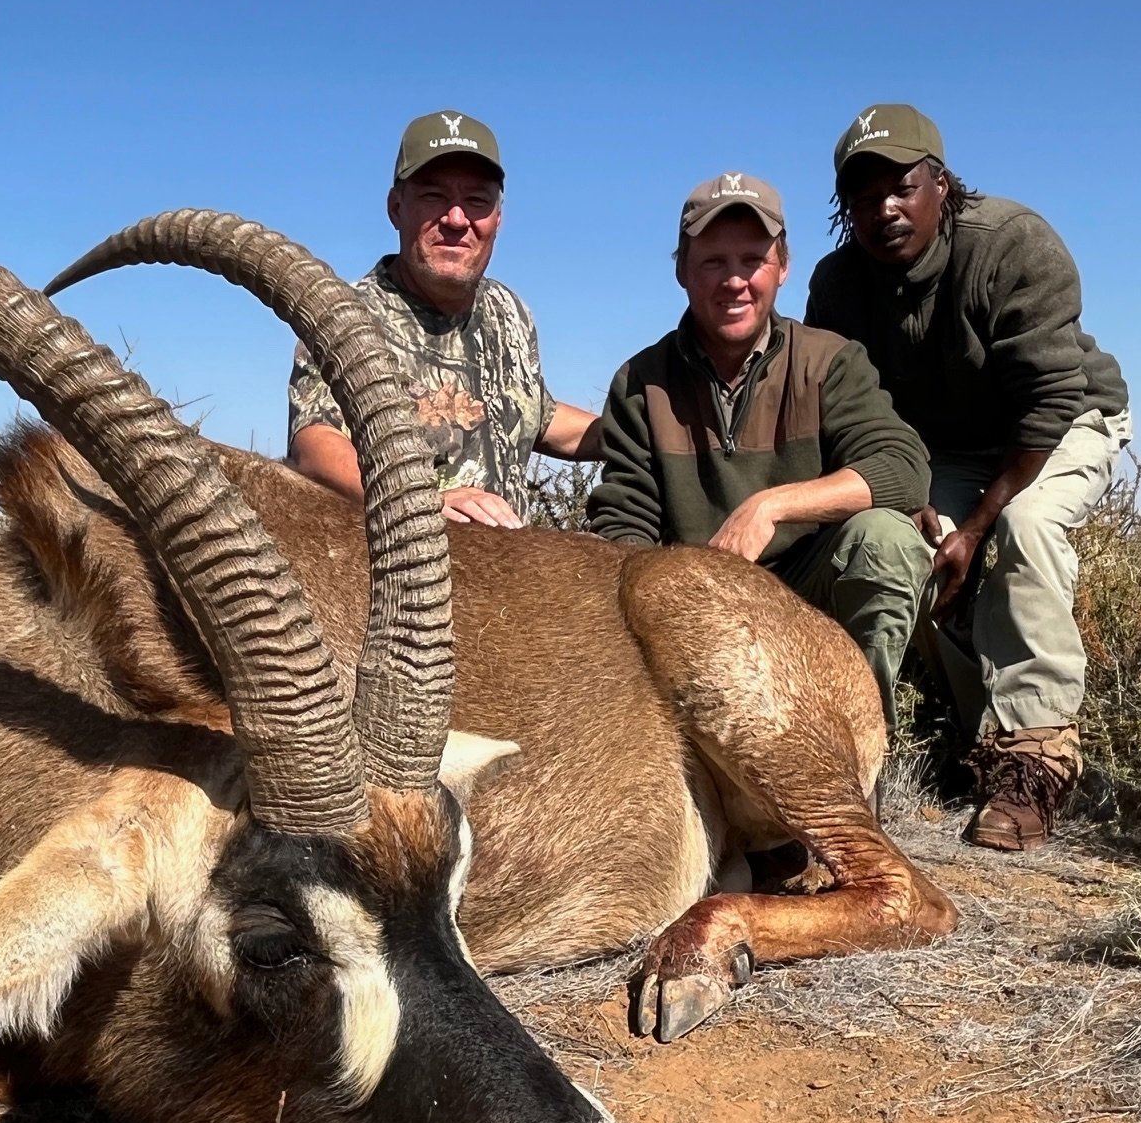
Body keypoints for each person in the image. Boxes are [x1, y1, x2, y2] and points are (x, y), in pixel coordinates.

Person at [807, 103, 1131, 851]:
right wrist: (920, 503)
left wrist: (980, 523)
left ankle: (1036, 758)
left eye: (901, 186)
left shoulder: (1012, 243)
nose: (883, 209)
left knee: (1026, 529)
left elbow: (1050, 402)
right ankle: (976, 737)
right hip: (944, 447)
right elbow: (856, 414)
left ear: (941, 184)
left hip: (1061, 423)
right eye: (861, 196)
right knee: (910, 551)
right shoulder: (838, 285)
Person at [586, 173, 931, 731]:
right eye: (713, 262)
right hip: (697, 610)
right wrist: (684, 592)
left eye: (753, 260)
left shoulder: (829, 362)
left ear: (783, 267)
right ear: (681, 270)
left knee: (887, 543)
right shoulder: (640, 381)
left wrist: (770, 506)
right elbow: (624, 525)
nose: (735, 282)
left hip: (809, 598)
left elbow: (902, 468)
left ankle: (864, 746)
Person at [288, 110, 598, 526]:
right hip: (403, 569)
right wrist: (420, 502)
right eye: (434, 196)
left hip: (514, 574)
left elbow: (533, 415)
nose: (456, 219)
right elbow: (313, 443)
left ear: (498, 219)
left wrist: (641, 432)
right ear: (396, 208)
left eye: (476, 201)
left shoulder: (509, 309)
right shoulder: (344, 316)